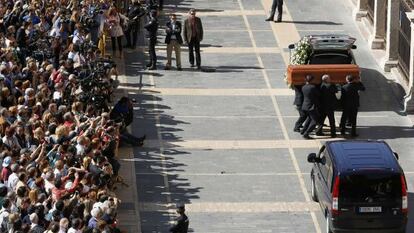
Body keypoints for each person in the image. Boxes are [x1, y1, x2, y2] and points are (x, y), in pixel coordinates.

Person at [301, 75, 322, 139]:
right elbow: (318, 94)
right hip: (311, 106)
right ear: (312, 80)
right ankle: (306, 133)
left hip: (305, 106)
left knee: (309, 118)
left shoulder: (303, 87)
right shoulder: (312, 87)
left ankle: (303, 130)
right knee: (314, 121)